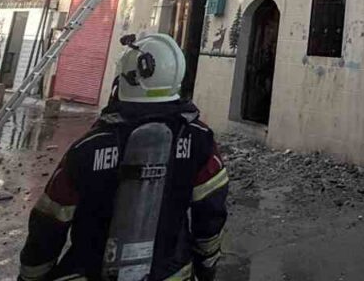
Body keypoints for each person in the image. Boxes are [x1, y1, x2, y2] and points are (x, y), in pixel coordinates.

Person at [18, 33, 229, 281]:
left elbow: (48, 225)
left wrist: (31, 276)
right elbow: (211, 213)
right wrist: (206, 266)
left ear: (129, 79)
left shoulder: (88, 147)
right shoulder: (198, 139)